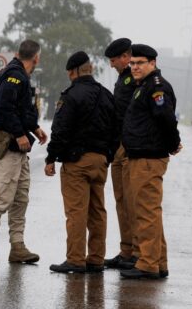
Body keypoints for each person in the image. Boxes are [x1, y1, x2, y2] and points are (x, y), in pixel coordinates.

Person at [44, 51, 118, 274]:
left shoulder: (70, 95)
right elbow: (117, 130)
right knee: (98, 211)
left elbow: (60, 130)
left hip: (77, 162)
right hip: (101, 161)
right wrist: (108, 155)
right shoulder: (106, 95)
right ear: (91, 69)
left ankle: (75, 259)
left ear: (72, 72)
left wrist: (51, 157)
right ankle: (96, 258)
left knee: (76, 211)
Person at [0, 39, 48, 264]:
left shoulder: (22, 76)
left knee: (20, 199)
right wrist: (19, 133)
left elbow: (22, 110)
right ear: (36, 57)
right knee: (1, 198)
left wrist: (34, 128)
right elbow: (3, 108)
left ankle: (18, 246)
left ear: (18, 53)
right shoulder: (14, 75)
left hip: (18, 149)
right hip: (7, 145)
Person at [120, 44, 182, 279]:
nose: (134, 67)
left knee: (146, 212)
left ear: (152, 63)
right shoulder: (144, 86)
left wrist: (173, 143)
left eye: (140, 63)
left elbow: (165, 117)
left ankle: (147, 263)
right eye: (132, 63)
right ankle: (159, 262)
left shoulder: (156, 87)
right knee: (149, 212)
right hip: (141, 155)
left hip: (148, 157)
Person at [103, 38, 140, 269]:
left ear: (126, 57)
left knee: (133, 202)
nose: (111, 64)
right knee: (121, 201)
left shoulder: (133, 78)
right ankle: (126, 250)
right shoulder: (122, 79)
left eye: (114, 60)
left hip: (129, 146)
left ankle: (138, 252)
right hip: (118, 146)